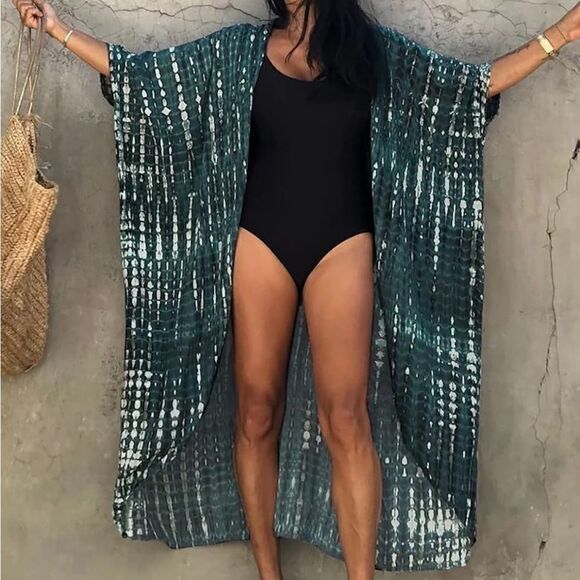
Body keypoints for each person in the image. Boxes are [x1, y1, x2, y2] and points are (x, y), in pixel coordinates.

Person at [12, 1, 580, 579]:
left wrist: (562, 32)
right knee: (256, 413)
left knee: (347, 419)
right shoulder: (239, 53)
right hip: (260, 244)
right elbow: (148, 80)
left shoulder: (373, 54)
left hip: (344, 245)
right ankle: (269, 572)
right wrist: (56, 28)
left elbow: (466, 89)